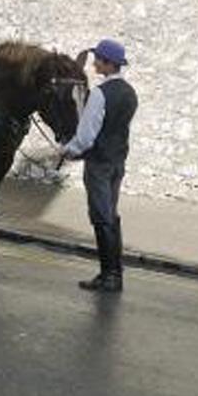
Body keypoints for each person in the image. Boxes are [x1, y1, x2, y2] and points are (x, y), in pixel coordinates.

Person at [62, 39, 139, 293]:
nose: (94, 63)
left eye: (98, 60)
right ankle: (115, 271)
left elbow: (86, 136)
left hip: (99, 164)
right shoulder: (129, 92)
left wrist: (68, 151)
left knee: (101, 217)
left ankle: (110, 276)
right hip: (118, 161)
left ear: (108, 63)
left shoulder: (99, 94)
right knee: (111, 215)